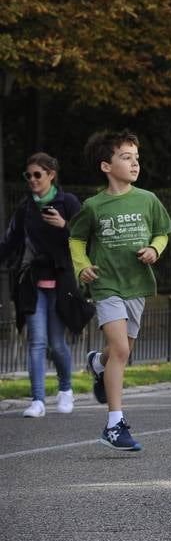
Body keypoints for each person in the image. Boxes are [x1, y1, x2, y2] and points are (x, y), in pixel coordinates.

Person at [71, 130, 171, 451]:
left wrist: (155, 250)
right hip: (106, 285)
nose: (134, 164)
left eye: (136, 158)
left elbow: (162, 233)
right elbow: (75, 239)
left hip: (137, 285)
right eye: (126, 157)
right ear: (106, 166)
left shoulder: (148, 199)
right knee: (121, 350)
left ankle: (98, 364)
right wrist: (81, 266)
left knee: (120, 352)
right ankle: (114, 424)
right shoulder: (93, 206)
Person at [1, 152, 82, 418]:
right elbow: (10, 242)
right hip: (32, 282)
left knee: (57, 344)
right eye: (29, 175)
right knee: (36, 341)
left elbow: (86, 236)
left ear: (51, 175)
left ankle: (66, 389)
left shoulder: (67, 202)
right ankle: (37, 400)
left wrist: (64, 225)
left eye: (38, 174)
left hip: (60, 281)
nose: (33, 180)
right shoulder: (26, 207)